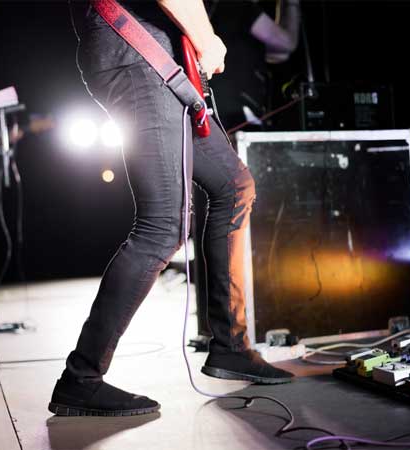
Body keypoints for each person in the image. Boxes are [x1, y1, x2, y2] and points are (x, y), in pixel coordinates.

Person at [49, 0, 295, 417]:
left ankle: (231, 346)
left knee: (233, 186)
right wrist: (207, 39)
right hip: (134, 51)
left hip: (149, 55)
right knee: (162, 225)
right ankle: (81, 376)